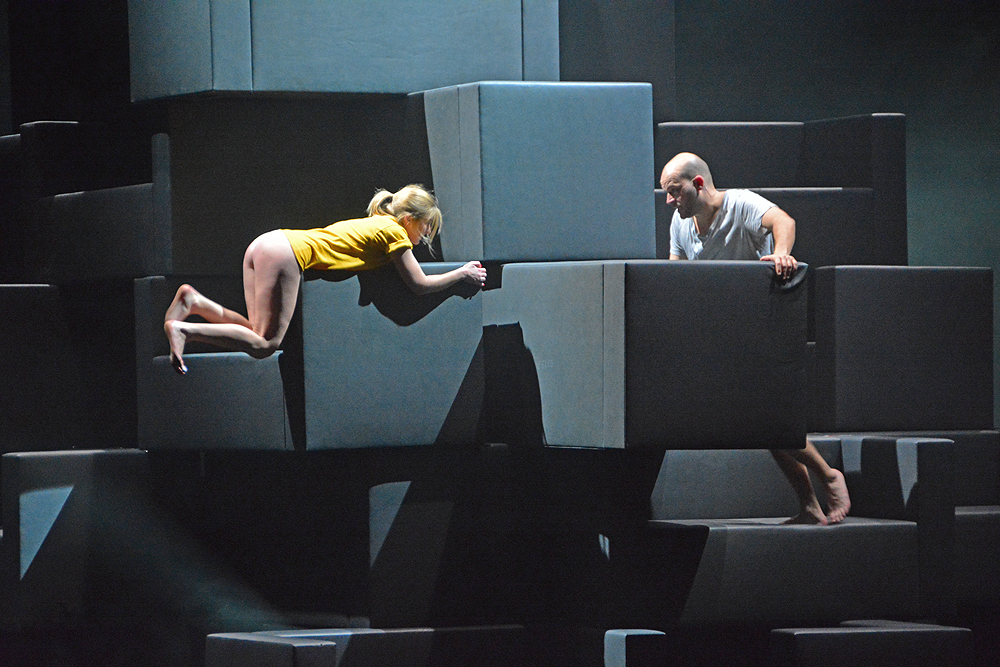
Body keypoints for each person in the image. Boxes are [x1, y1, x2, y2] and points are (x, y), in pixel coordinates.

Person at [660, 152, 850, 525]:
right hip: (723, 336)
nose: (669, 200)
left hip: (761, 327)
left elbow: (783, 221)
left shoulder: (740, 204)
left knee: (767, 419)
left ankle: (828, 477)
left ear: (698, 184)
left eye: (675, 191)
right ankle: (810, 505)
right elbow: (675, 275)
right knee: (761, 423)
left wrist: (781, 255)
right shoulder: (680, 224)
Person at [163, 184, 487, 375]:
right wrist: (463, 273)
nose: (427, 233)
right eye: (426, 226)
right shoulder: (394, 233)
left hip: (267, 243)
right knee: (266, 345)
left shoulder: (376, 224)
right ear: (408, 220)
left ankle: (194, 301)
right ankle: (185, 330)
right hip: (288, 253)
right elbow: (418, 284)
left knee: (253, 332)